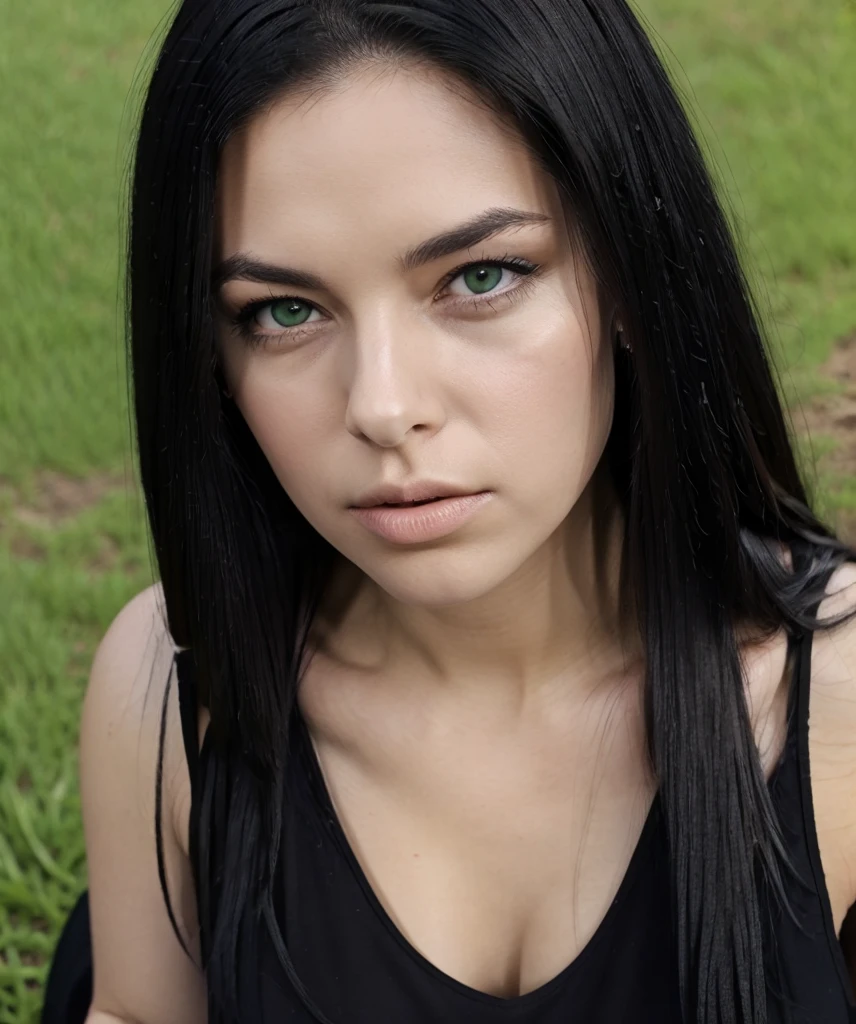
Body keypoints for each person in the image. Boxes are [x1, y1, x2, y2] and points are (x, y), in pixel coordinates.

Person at [40, 1, 856, 1022]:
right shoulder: (165, 690)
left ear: (630, 279)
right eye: (283, 311)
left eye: (480, 276)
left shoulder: (835, 697)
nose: (383, 407)